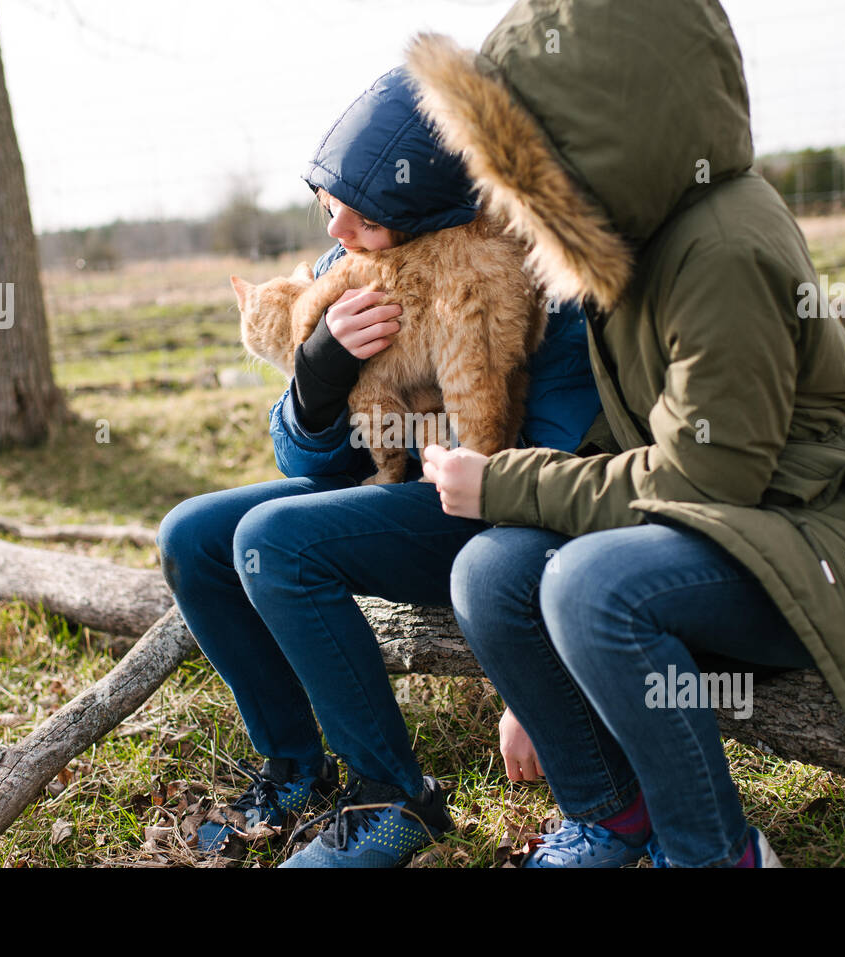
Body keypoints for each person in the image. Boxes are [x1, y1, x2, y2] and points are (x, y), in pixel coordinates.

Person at [417, 0, 845, 867]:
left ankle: (715, 852)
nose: (516, 205)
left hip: (830, 543)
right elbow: (632, 454)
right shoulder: (633, 244)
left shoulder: (722, 250)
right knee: (493, 570)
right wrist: (532, 681)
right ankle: (613, 816)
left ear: (605, 137)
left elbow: (708, 477)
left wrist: (506, 482)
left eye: (532, 167)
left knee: (590, 586)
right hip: (733, 538)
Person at [156, 64, 601, 868]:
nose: (339, 235)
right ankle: (295, 770)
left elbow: (550, 461)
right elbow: (300, 457)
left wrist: (526, 670)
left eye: (364, 217)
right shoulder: (351, 268)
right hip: (389, 492)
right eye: (331, 211)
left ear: (433, 203)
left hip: (483, 510)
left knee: (274, 541)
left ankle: (393, 799)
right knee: (191, 535)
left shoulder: (532, 277)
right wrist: (318, 377)